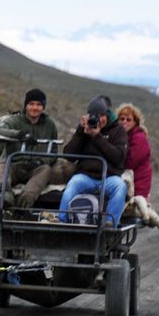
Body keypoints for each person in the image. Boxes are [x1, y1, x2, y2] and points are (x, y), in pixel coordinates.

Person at [0, 88, 60, 210]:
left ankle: (25, 201)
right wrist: (19, 135)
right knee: (4, 163)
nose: (35, 108)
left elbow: (53, 151)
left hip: (34, 168)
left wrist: (42, 161)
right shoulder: (13, 121)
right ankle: (4, 196)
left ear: (43, 107)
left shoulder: (50, 125)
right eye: (31, 104)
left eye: (39, 105)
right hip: (14, 165)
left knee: (45, 169)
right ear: (26, 105)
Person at [59, 95, 128, 226]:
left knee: (120, 186)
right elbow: (69, 155)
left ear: (107, 115)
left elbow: (118, 157)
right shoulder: (85, 130)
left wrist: (97, 137)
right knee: (73, 183)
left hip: (109, 177)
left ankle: (110, 223)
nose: (99, 119)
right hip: (86, 176)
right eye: (95, 116)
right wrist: (80, 132)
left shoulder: (118, 130)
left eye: (102, 115)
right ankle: (61, 220)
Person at [117, 102, 159, 228]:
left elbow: (130, 162)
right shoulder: (123, 136)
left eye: (129, 119)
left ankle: (148, 214)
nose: (124, 122)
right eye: (122, 119)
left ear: (135, 122)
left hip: (137, 183)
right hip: (130, 180)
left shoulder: (139, 138)